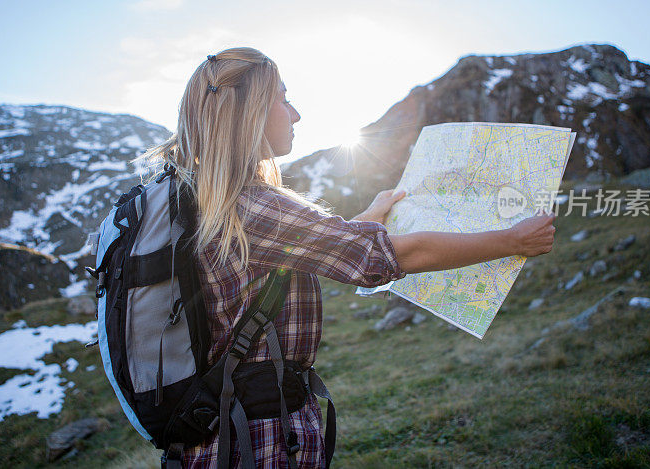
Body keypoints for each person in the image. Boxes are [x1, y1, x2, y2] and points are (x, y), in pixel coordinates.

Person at [140, 47, 556, 468]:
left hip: (216, 433)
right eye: (283, 99)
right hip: (257, 440)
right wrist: (512, 240)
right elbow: (381, 258)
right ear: (249, 113)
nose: (296, 113)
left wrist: (365, 219)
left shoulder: (201, 198)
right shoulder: (254, 206)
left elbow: (294, 255)